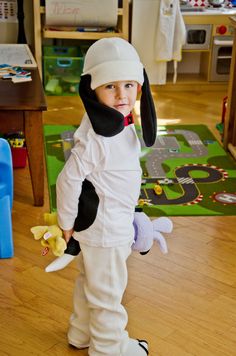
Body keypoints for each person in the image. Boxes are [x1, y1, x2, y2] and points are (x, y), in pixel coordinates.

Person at [56, 37, 157, 356]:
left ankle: (81, 332)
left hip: (105, 225)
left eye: (129, 84)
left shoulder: (112, 124)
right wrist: (65, 223)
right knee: (108, 292)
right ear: (92, 90)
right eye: (110, 86)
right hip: (106, 230)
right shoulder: (97, 140)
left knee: (93, 283)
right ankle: (109, 349)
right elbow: (67, 179)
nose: (122, 95)